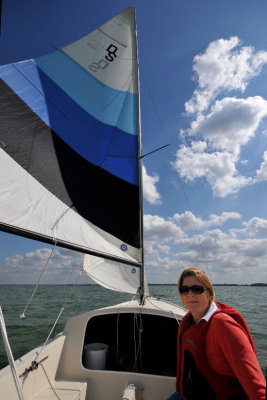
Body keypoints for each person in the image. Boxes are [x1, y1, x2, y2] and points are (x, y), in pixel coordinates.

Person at [167, 268, 266, 400]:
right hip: (185, 394)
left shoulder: (224, 326)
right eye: (185, 290)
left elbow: (257, 387)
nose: (190, 294)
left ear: (209, 292)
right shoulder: (188, 321)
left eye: (197, 289)